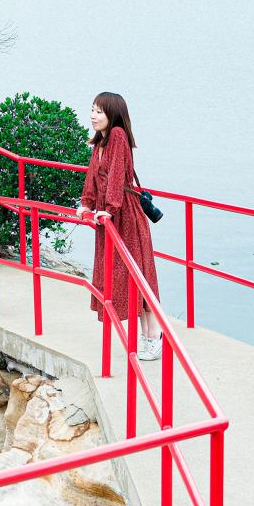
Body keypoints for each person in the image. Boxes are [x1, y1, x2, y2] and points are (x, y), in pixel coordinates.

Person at [80, 92, 163, 361]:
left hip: (125, 215)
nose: (93, 116)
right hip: (110, 216)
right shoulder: (100, 141)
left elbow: (116, 175)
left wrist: (109, 208)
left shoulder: (117, 135)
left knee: (138, 273)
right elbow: (93, 176)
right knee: (130, 274)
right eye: (92, 110)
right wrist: (87, 204)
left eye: (99, 112)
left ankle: (154, 336)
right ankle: (149, 335)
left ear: (113, 114)